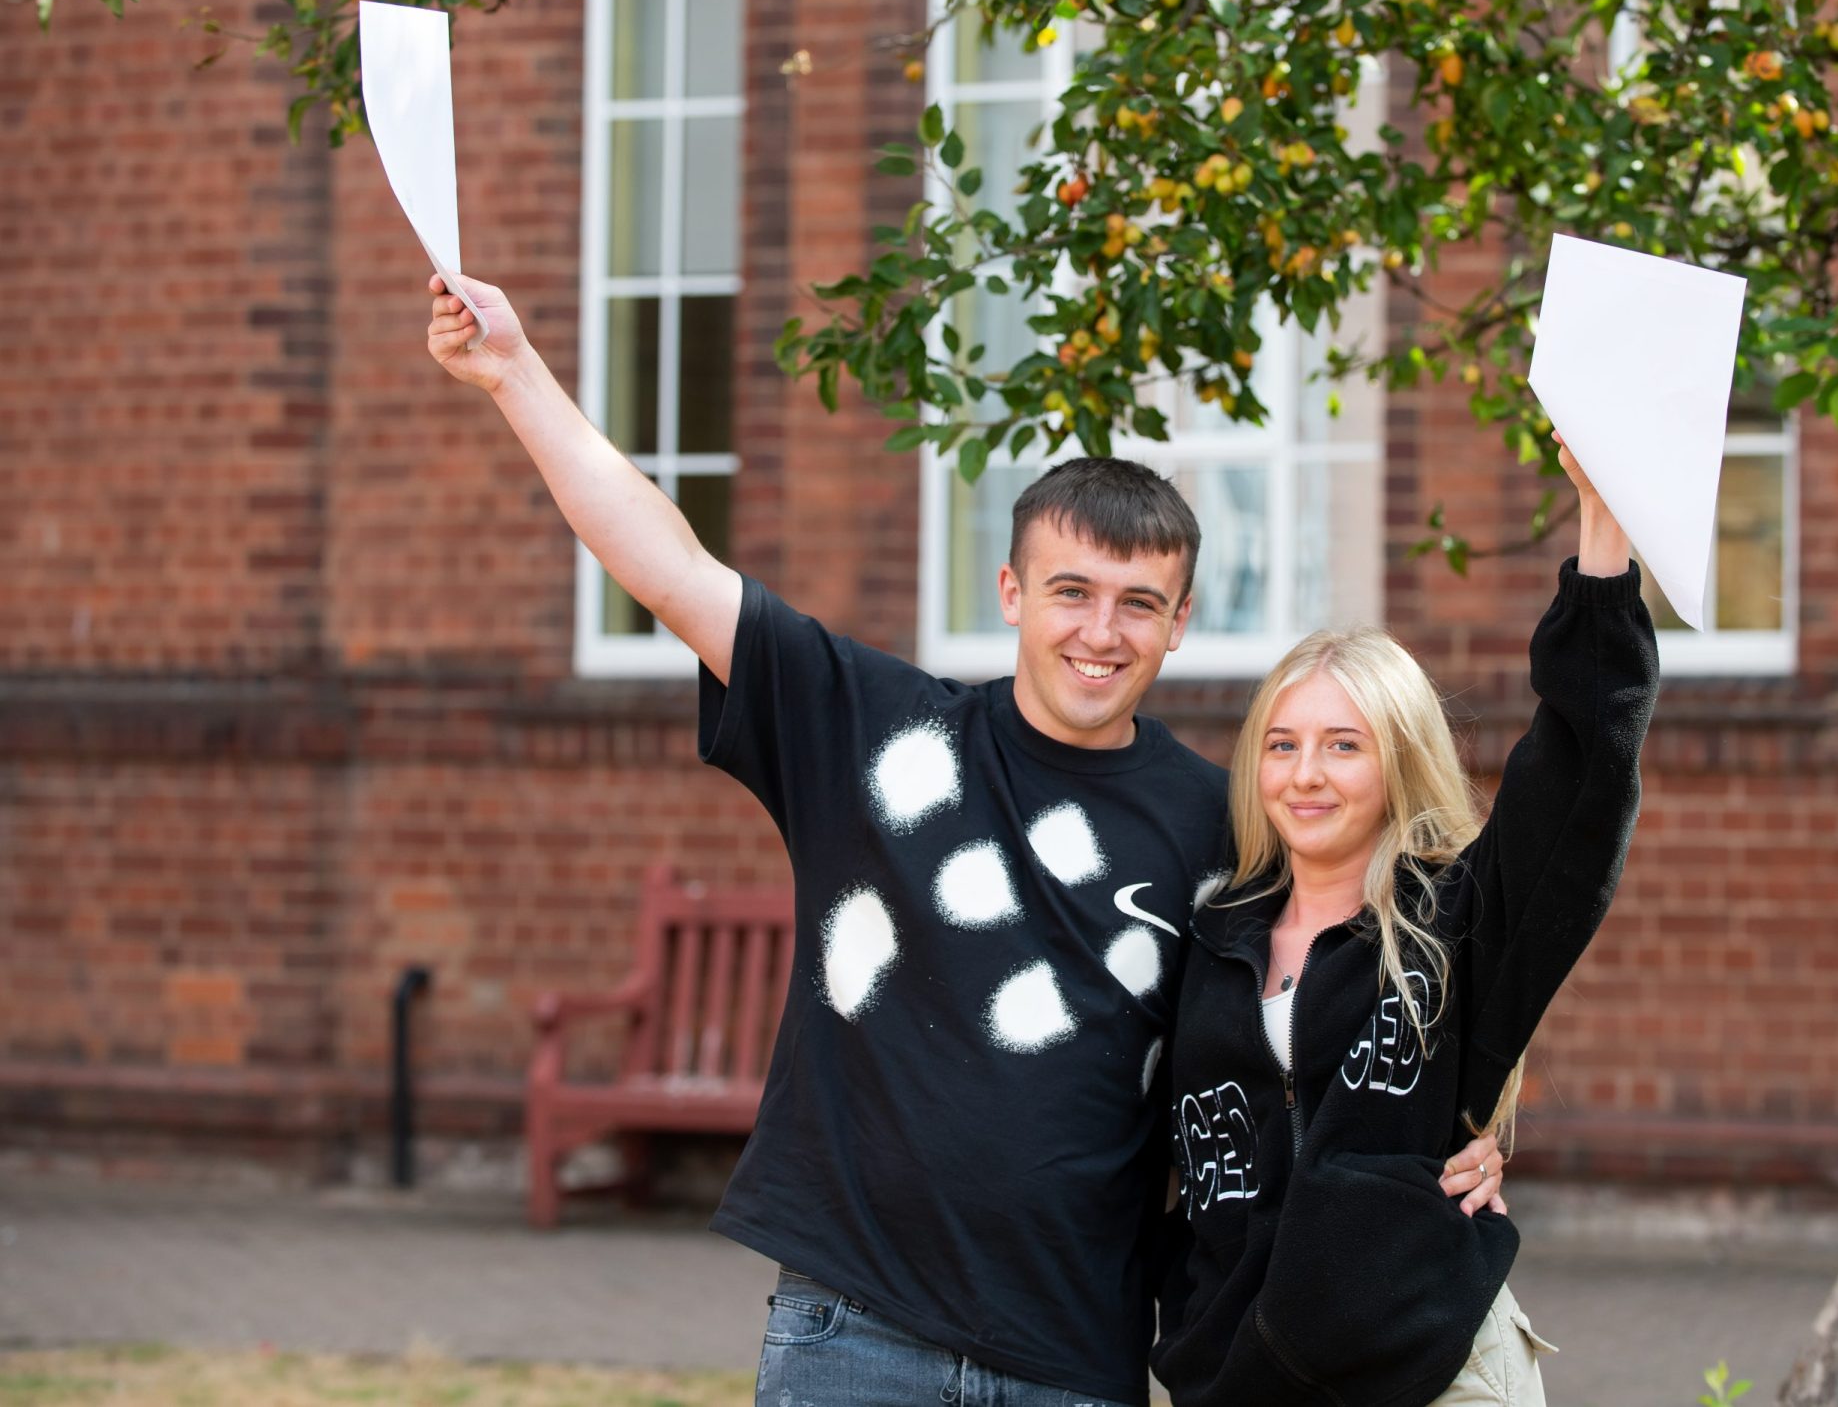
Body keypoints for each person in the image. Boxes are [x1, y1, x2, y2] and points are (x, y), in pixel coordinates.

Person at [422, 273, 1508, 1407]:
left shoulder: (1224, 823)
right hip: (854, 1332)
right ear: (1012, 591)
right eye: (1071, 591)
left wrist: (1456, 1137)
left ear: (1180, 621)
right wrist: (514, 372)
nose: (1101, 632)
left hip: (1075, 1353)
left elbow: (1317, 1013)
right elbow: (671, 566)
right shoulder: (872, 729)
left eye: (1138, 603)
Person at [1151, 442, 1659, 1407]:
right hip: (1245, 1384)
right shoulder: (1209, 936)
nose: (1306, 774)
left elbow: (1582, 773)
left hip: (1432, 1372)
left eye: (1344, 745)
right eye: (1283, 745)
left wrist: (1603, 540)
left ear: (1396, 761)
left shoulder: (1452, 921)